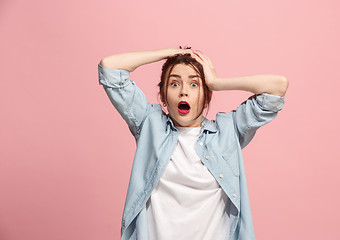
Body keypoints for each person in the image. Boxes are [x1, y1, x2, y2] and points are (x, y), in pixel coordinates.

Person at [97, 47, 288, 240]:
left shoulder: (228, 131)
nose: (183, 92)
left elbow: (277, 87)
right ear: (163, 96)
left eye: (194, 84)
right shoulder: (149, 125)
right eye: (174, 83)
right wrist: (168, 53)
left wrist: (216, 82)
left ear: (207, 96)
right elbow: (110, 69)